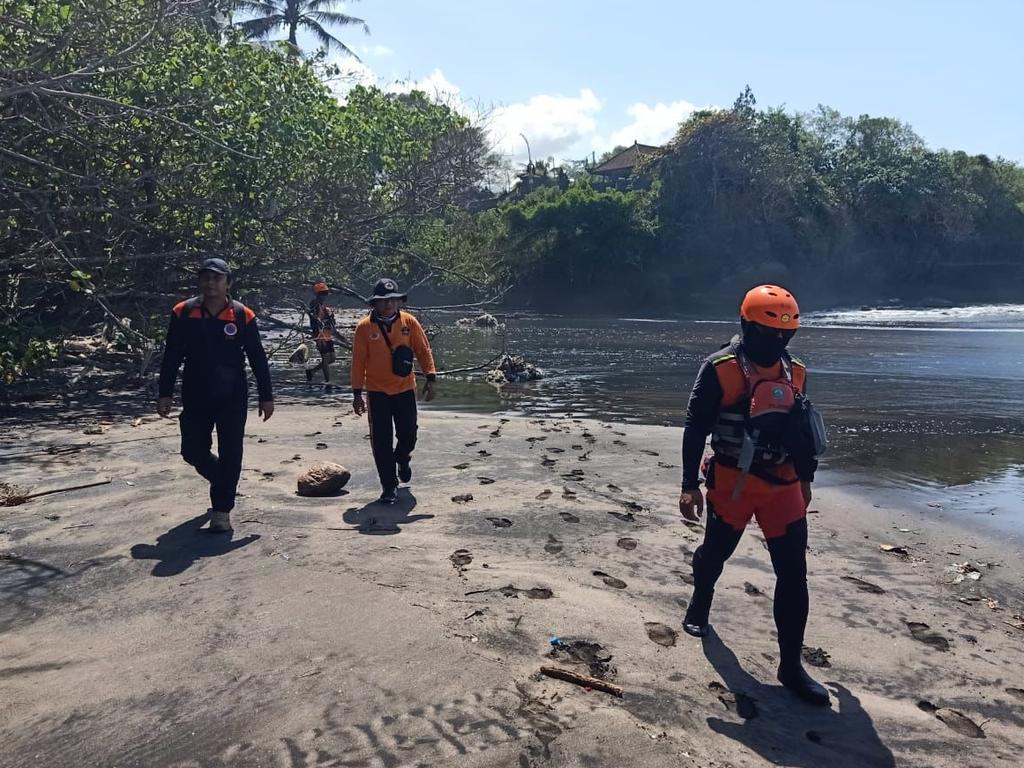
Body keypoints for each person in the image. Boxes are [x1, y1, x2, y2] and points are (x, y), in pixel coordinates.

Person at [678, 284, 829, 707]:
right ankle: (700, 601)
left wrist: (805, 479)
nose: (777, 341)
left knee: (793, 573)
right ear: (747, 325)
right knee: (715, 554)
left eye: (785, 334)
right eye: (768, 332)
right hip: (733, 484)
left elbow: (803, 433)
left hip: (783, 487)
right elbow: (695, 428)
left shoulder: (796, 372)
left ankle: (790, 666)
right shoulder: (719, 368)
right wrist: (689, 485)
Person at [157, 258, 274, 533]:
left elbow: (258, 358)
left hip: (232, 394)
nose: (211, 283)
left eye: (217, 278)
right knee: (192, 451)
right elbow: (171, 355)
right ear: (200, 281)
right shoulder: (183, 312)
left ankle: (222, 511)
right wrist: (165, 393)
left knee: (231, 451)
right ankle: (221, 479)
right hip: (195, 392)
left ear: (228, 283)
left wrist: (266, 396)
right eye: (206, 278)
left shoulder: (243, 315)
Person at [350, 278, 437, 504]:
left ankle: (403, 457)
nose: (388, 305)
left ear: (399, 301)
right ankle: (389, 486)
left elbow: (423, 349)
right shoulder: (364, 328)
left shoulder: (409, 322)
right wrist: (357, 393)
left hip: (405, 388)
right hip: (377, 392)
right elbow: (358, 362)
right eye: (383, 301)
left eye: (392, 300)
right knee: (381, 441)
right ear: (375, 304)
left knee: (409, 433)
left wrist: (431, 376)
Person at [306, 281, 337, 387]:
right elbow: (312, 315)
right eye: (322, 294)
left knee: (332, 358)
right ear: (317, 294)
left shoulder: (324, 306)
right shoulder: (314, 304)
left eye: (325, 293)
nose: (324, 296)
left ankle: (312, 371)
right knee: (325, 357)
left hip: (327, 333)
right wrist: (317, 319)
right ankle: (328, 380)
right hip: (318, 334)